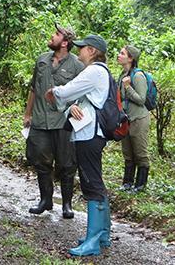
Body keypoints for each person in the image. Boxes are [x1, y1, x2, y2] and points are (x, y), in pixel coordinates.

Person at [44, 34, 112, 257]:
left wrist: (54, 92)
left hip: (89, 135)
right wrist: (68, 104)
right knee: (96, 181)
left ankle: (92, 240)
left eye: (82, 48)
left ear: (92, 51)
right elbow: (78, 98)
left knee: (91, 183)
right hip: (91, 133)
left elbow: (69, 90)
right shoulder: (99, 73)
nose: (79, 50)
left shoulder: (94, 71)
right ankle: (102, 234)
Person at [23, 23, 85, 219]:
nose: (52, 36)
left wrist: (77, 107)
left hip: (64, 122)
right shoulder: (42, 60)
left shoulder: (77, 65)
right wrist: (28, 114)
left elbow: (83, 93)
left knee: (67, 164)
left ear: (65, 42)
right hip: (41, 121)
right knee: (41, 161)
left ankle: (67, 204)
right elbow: (33, 89)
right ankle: (45, 200)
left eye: (56, 34)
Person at [116, 45, 150, 191]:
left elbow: (141, 99)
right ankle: (127, 183)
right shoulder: (122, 75)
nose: (118, 55)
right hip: (126, 119)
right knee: (128, 153)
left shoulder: (138, 76)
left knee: (140, 153)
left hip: (139, 119)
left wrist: (128, 87)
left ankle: (140, 185)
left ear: (131, 58)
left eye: (122, 53)